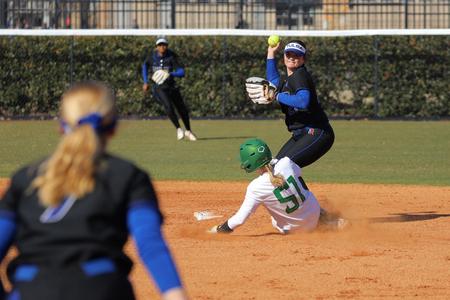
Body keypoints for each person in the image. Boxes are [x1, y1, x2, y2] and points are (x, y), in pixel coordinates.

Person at [0, 82, 188, 300]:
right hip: (102, 288)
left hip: (31, 288)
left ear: (61, 126)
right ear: (114, 126)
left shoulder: (26, 178)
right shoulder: (128, 176)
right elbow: (150, 245)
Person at [209, 138, 345, 235]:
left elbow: (239, 220)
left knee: (275, 221)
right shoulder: (286, 162)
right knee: (304, 194)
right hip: (314, 212)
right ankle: (329, 220)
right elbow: (302, 185)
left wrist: (218, 229)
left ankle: (325, 226)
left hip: (297, 230)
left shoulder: (255, 188)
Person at [266, 40, 335, 168]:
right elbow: (273, 82)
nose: (292, 58)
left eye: (296, 55)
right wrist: (270, 53)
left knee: (284, 167)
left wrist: (276, 96)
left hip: (317, 133)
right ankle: (295, 189)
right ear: (284, 56)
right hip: (301, 134)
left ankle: (302, 190)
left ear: (303, 59)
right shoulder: (287, 78)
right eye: (289, 54)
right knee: (275, 168)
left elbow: (303, 101)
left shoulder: (300, 75)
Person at [142, 37, 197, 141]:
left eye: (164, 45)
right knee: (168, 107)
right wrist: (145, 81)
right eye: (160, 45)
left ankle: (188, 131)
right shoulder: (151, 57)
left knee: (183, 110)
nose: (162, 47)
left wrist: (170, 73)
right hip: (159, 88)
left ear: (167, 46)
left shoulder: (171, 56)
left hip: (172, 86)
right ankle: (178, 129)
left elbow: (182, 72)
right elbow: (144, 66)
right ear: (156, 47)